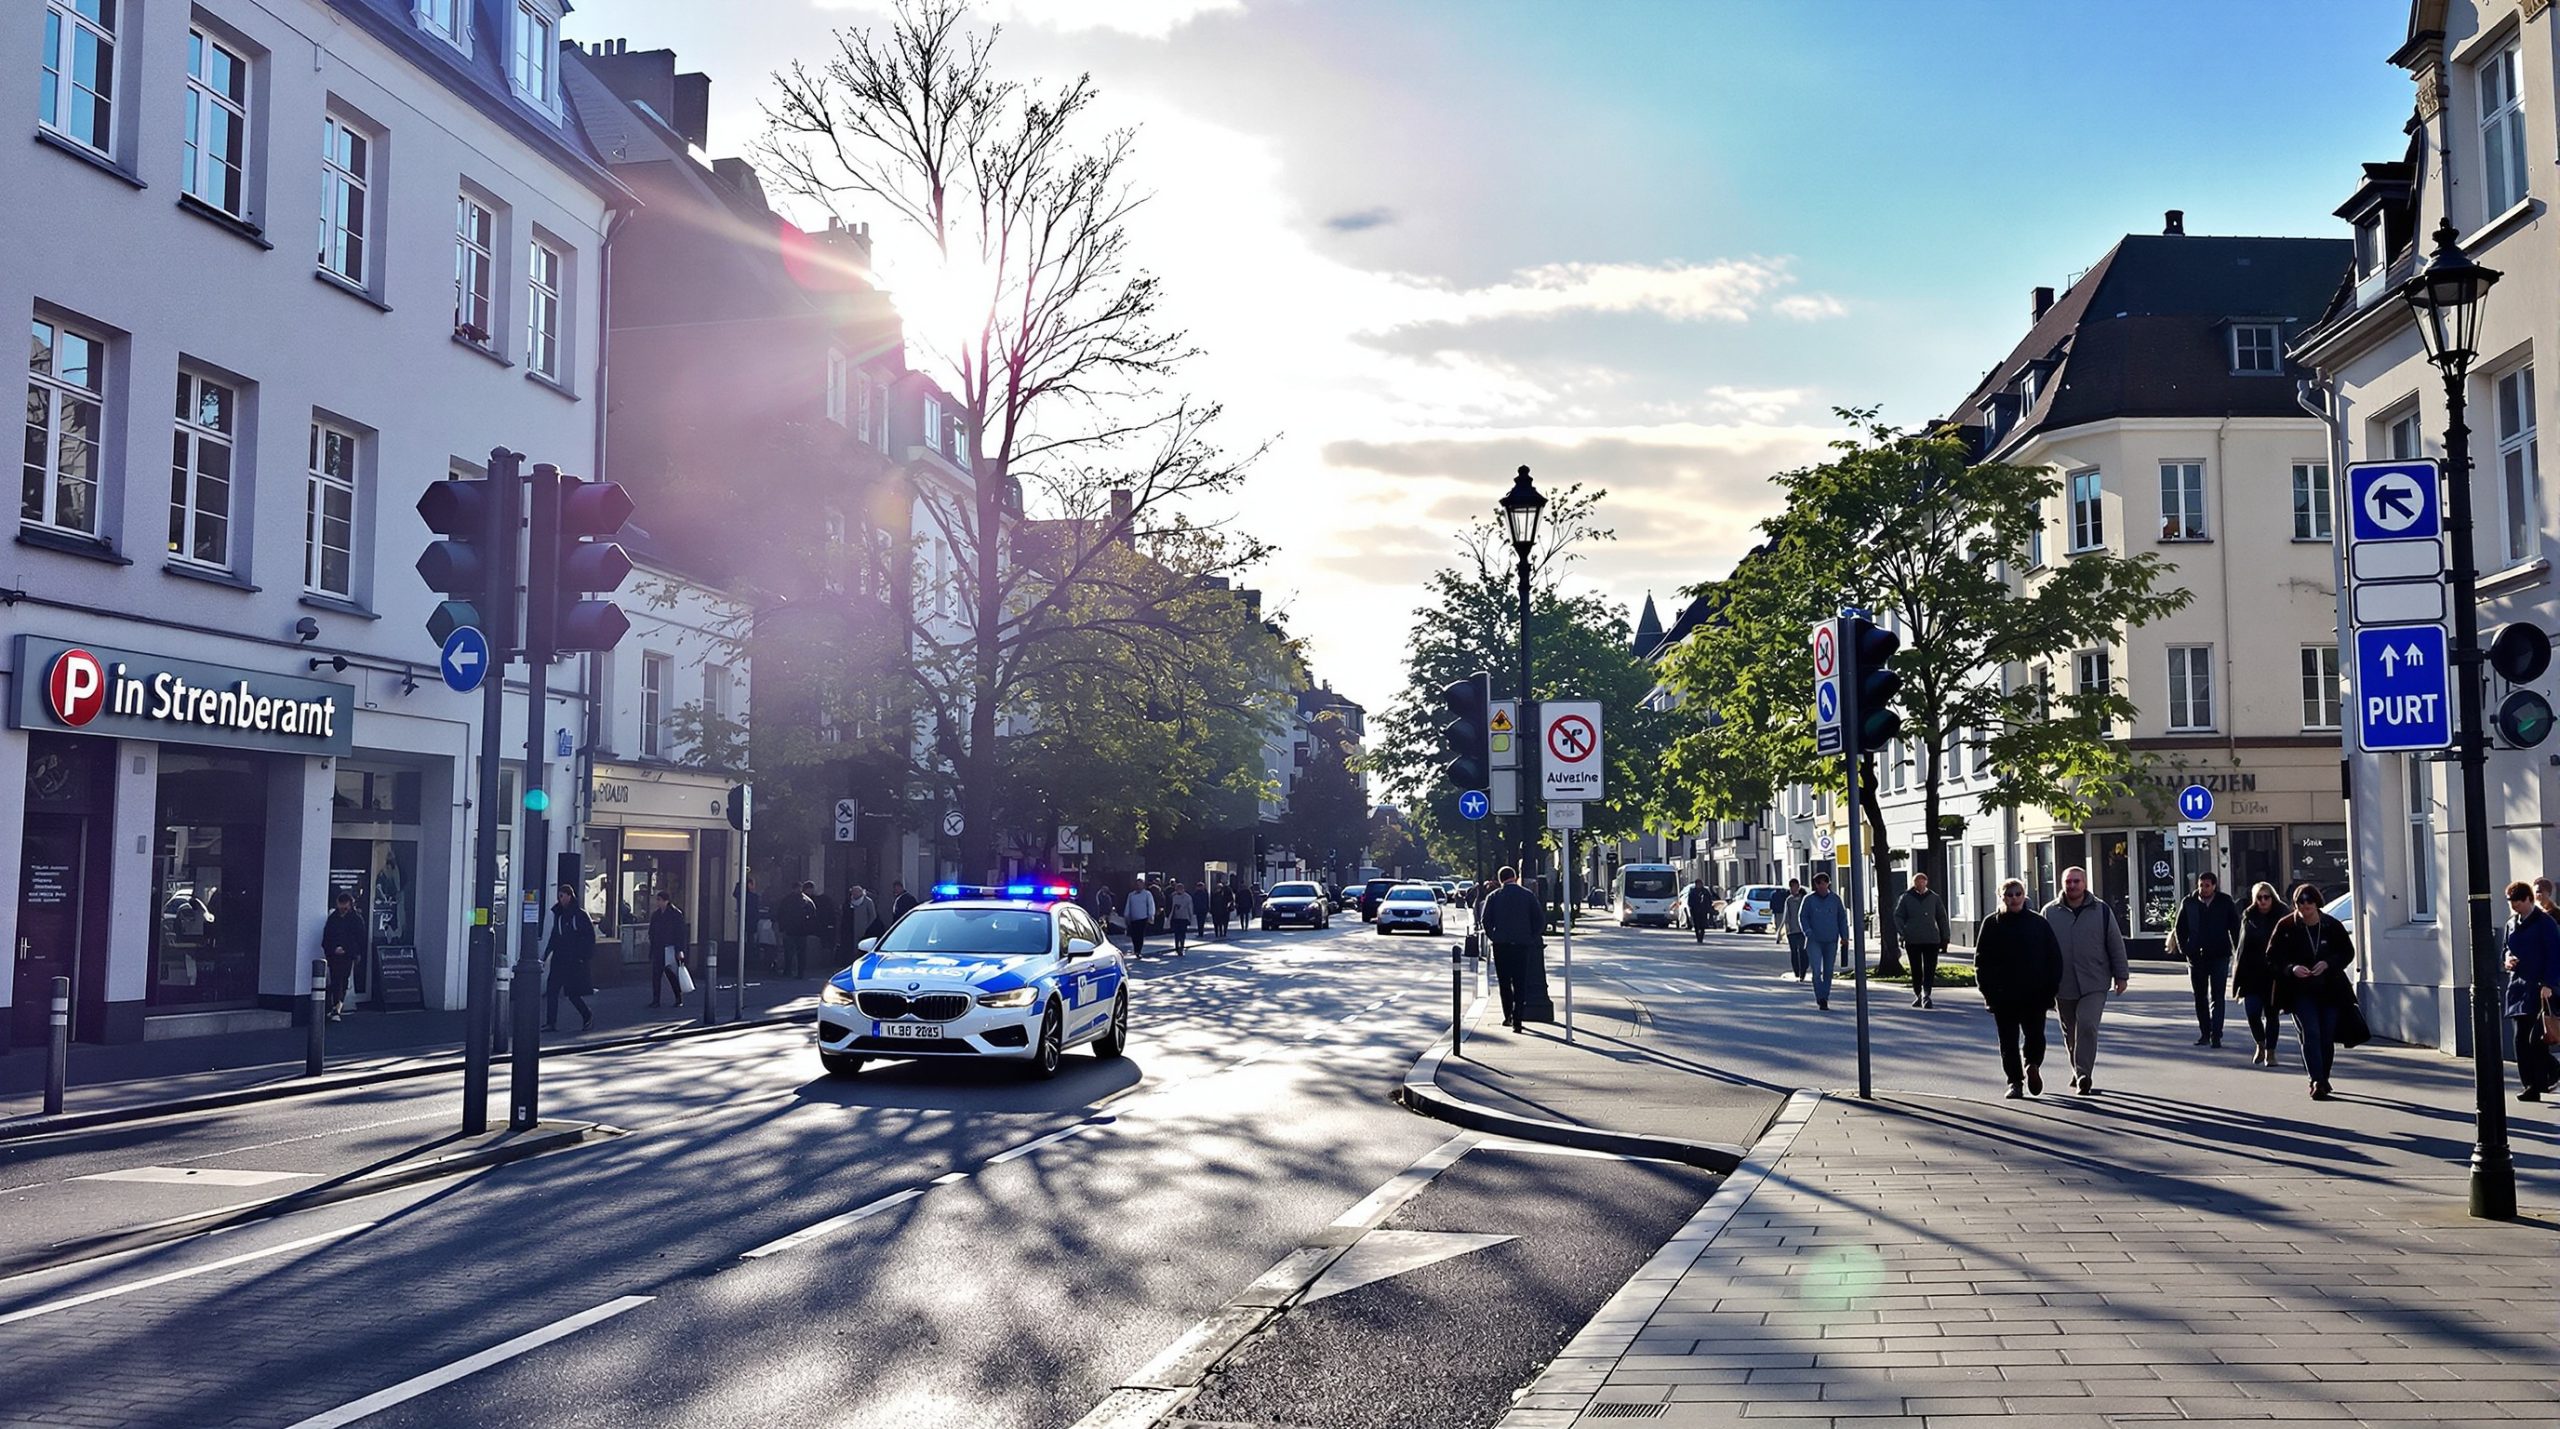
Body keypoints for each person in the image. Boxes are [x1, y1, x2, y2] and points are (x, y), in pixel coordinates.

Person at [2042, 866, 2128, 1095]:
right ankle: (2077, 1068)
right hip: (2063, 982)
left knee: (2087, 1024)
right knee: (2070, 1031)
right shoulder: (2050, 912)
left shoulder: (2101, 910)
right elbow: (2041, 949)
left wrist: (2121, 975)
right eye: (2068, 882)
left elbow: (2115, 944)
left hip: (2095, 981)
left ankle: (2083, 1074)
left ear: (2085, 883)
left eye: (2076, 881)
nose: (2072, 886)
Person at [1974, 878, 2064, 1097]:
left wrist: (2050, 990)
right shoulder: (1992, 924)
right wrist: (1988, 992)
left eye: (2018, 894)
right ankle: (2015, 1081)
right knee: (2008, 1041)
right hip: (2003, 996)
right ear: (2001, 897)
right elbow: (1981, 961)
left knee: (2035, 1035)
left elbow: (2054, 958)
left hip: (2035, 994)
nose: (2014, 898)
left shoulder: (2038, 923)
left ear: (2024, 896)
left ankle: (2032, 1065)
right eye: (2009, 894)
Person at [2268, 882, 2356, 1100]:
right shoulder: (2286, 926)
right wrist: (2292, 968)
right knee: (2311, 1032)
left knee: (2326, 1034)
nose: (2305, 906)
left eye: (2309, 901)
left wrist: (2328, 963)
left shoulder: (2331, 925)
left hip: (2330, 989)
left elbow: (2347, 952)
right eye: (2300, 902)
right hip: (2299, 990)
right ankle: (2316, 1079)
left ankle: (2324, 1077)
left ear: (2317, 903)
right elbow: (2272, 956)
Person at [2169, 872, 2242, 1048]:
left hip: (2219, 955)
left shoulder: (2225, 902)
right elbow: (2180, 928)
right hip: (2196, 957)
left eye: (2207, 885)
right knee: (2200, 996)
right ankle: (2204, 1033)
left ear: (2214, 886)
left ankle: (2216, 1034)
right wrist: (2185, 949)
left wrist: (2237, 950)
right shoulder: (2189, 902)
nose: (2203, 889)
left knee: (2217, 996)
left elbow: (2235, 927)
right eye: (2201, 885)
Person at [2501, 880, 2559, 1102]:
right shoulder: (2511, 924)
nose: (2513, 906)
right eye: (2510, 903)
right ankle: (2532, 1086)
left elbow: (2554, 954)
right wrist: (2507, 960)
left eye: (2516, 902)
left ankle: (2547, 1075)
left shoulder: (2545, 923)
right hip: (2517, 987)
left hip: (2539, 987)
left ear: (2527, 899)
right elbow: (2505, 948)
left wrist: (2549, 983)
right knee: (2520, 1039)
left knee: (2536, 1039)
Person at [1481, 866, 1546, 1032]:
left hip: (1501, 945)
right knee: (1520, 982)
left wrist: (1494, 937)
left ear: (1501, 879)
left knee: (1504, 982)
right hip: (1522, 945)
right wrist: (1530, 937)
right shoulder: (1527, 895)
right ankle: (1518, 1018)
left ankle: (1507, 1015)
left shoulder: (1493, 897)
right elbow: (1539, 920)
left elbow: (1485, 921)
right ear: (1515, 877)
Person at [2235, 882, 2287, 1067]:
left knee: (2272, 1015)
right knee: (2252, 1013)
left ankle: (2271, 1052)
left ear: (2273, 897)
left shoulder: (2282, 915)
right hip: (2251, 974)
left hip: (2273, 975)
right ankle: (2260, 1043)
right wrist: (2238, 976)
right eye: (2259, 898)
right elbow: (2241, 946)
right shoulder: (2249, 916)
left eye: (2267, 897)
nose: (2263, 901)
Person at [541, 882, 596, 1034]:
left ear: (570, 896)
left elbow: (589, 937)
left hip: (573, 960)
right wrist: (546, 955)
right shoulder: (558, 915)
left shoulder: (579, 915)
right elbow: (555, 937)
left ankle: (587, 1015)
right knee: (552, 990)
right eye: (559, 896)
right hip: (560, 958)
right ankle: (551, 1023)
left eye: (562, 896)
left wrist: (582, 956)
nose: (560, 899)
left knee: (572, 993)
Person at [1894, 871, 1952, 1008]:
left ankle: (1927, 994)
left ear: (1926, 882)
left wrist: (1945, 937)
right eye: (1917, 882)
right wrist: (1903, 931)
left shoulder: (1934, 898)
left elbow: (1942, 918)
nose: (1920, 884)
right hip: (1913, 939)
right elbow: (1898, 916)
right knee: (1916, 968)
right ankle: (1918, 993)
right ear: (1913, 884)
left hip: (1931, 939)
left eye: (1922, 881)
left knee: (1930, 968)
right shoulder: (1906, 898)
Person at [1795, 872, 1847, 1011]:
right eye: (1818, 883)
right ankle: (1820, 998)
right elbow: (1803, 917)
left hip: (1831, 940)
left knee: (1829, 970)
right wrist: (1808, 931)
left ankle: (1825, 995)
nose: (1821, 886)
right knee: (1817, 970)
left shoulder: (1835, 900)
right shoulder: (1809, 900)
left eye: (1823, 883)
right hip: (1814, 941)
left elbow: (1842, 918)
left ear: (1828, 883)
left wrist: (1844, 936)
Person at [320, 890, 367, 1022]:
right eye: (341, 906)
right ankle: (335, 1007)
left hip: (347, 955)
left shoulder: (356, 919)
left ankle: (337, 1007)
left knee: (343, 980)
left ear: (350, 905)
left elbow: (360, 938)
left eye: (345, 906)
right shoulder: (333, 918)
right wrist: (332, 950)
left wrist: (351, 951)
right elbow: (327, 936)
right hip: (334, 955)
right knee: (335, 981)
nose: (343, 909)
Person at [647, 890, 690, 1009]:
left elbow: (680, 933)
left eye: (659, 900)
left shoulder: (676, 914)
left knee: (671, 974)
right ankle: (656, 1000)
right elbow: (652, 931)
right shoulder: (656, 915)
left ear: (666, 901)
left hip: (670, 947)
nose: (658, 903)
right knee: (656, 975)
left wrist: (679, 950)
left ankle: (678, 997)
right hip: (659, 948)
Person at [786, 880, 823, 978]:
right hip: (799, 930)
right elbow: (813, 916)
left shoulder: (789, 900)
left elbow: (782, 914)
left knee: (792, 951)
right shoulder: (806, 900)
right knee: (798, 952)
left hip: (794, 930)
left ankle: (791, 971)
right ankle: (798, 972)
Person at [1774, 878, 1806, 980]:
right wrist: (1783, 931)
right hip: (1792, 930)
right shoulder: (1789, 900)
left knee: (1803, 950)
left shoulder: (1804, 899)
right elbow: (1786, 916)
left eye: (1795, 886)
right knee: (1794, 951)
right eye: (1792, 887)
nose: (1794, 889)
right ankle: (1796, 971)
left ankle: (1803, 971)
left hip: (1803, 930)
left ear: (1798, 887)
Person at [840, 885, 877, 959]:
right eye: (853, 892)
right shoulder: (850, 901)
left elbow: (873, 916)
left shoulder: (868, 901)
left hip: (864, 928)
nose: (854, 894)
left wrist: (867, 926)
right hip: (851, 927)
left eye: (856, 892)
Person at [1124, 878, 1158, 958]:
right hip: (1133, 918)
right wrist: (1126, 915)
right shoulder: (1131, 895)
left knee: (1140, 935)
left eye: (1140, 884)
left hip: (1143, 918)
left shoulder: (1147, 894)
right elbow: (1128, 906)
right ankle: (1136, 949)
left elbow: (1151, 905)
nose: (1138, 886)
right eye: (1137, 884)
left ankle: (1138, 951)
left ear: (1143, 885)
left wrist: (1150, 915)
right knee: (1134, 935)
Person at [1166, 880, 1195, 956]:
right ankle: (1176, 946)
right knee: (1176, 933)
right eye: (1177, 889)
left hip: (1184, 918)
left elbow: (1190, 908)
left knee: (1182, 933)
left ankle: (1181, 946)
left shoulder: (1188, 897)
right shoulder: (1173, 896)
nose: (1178, 890)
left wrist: (1190, 918)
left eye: (1180, 889)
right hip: (1176, 917)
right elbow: (1170, 907)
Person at [1683, 876, 1713, 944]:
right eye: (1698, 884)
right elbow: (1690, 901)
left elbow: (1709, 900)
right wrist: (1691, 907)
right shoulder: (1693, 891)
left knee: (1702, 925)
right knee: (1697, 925)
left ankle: (1701, 937)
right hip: (1695, 911)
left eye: (1700, 883)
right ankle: (1698, 937)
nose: (1699, 885)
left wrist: (1708, 908)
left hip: (1703, 911)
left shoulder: (1705, 891)